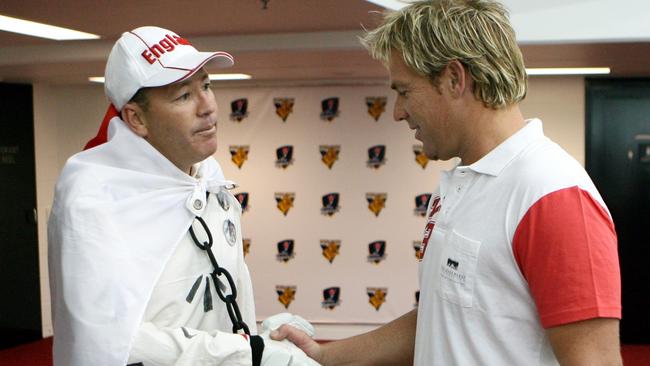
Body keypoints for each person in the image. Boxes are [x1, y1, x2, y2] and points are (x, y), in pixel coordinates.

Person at [273, 1, 622, 365]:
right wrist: (322, 357)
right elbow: (444, 320)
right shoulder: (461, 185)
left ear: (455, 79)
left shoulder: (551, 194)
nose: (397, 111)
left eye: (405, 91)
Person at [48, 26, 318, 366]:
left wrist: (257, 335)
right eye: (183, 96)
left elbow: (216, 294)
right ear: (136, 118)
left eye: (206, 85)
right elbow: (107, 342)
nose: (207, 107)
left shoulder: (209, 175)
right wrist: (249, 354)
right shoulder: (93, 197)